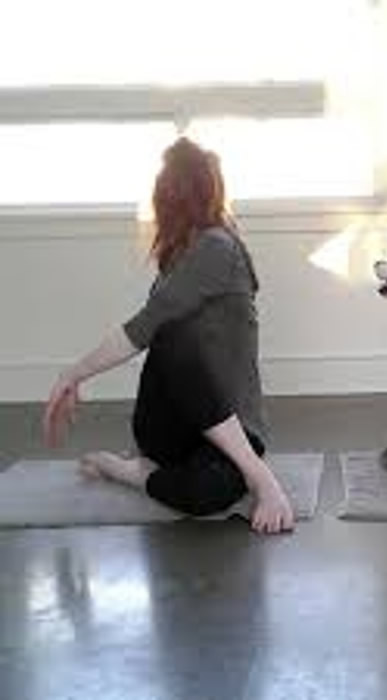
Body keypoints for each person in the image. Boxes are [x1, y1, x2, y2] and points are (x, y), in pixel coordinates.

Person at [43, 137, 294, 534]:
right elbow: (146, 329)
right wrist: (72, 374)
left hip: (233, 427)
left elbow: (140, 330)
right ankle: (255, 479)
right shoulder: (177, 259)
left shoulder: (218, 247)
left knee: (205, 495)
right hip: (168, 428)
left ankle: (132, 471)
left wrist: (72, 374)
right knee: (170, 335)